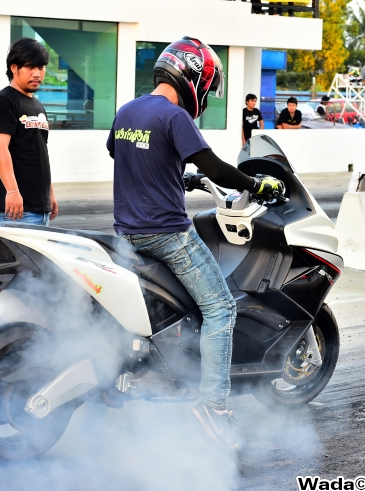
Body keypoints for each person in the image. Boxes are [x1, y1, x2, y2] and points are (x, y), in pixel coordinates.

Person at [106, 37, 283, 450]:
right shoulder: (175, 116)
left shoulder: (127, 110)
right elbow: (216, 169)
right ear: (194, 78)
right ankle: (214, 408)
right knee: (220, 308)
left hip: (126, 234)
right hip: (167, 235)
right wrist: (256, 184)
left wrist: (174, 175)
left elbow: (125, 155)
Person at [0, 37, 58, 225]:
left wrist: (49, 193)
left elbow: (40, 153)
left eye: (41, 67)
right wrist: (12, 191)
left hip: (39, 207)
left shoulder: (37, 105)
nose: (37, 73)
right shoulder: (4, 101)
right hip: (15, 209)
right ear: (14, 68)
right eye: (30, 67)